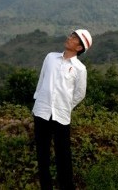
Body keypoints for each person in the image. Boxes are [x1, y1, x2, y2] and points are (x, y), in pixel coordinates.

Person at [32, 29, 93, 190]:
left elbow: (79, 94)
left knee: (63, 158)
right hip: (41, 112)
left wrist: (65, 106)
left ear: (79, 48)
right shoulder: (50, 57)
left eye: (74, 38)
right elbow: (42, 79)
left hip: (61, 116)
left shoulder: (80, 69)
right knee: (42, 156)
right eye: (71, 35)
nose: (69, 38)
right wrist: (39, 100)